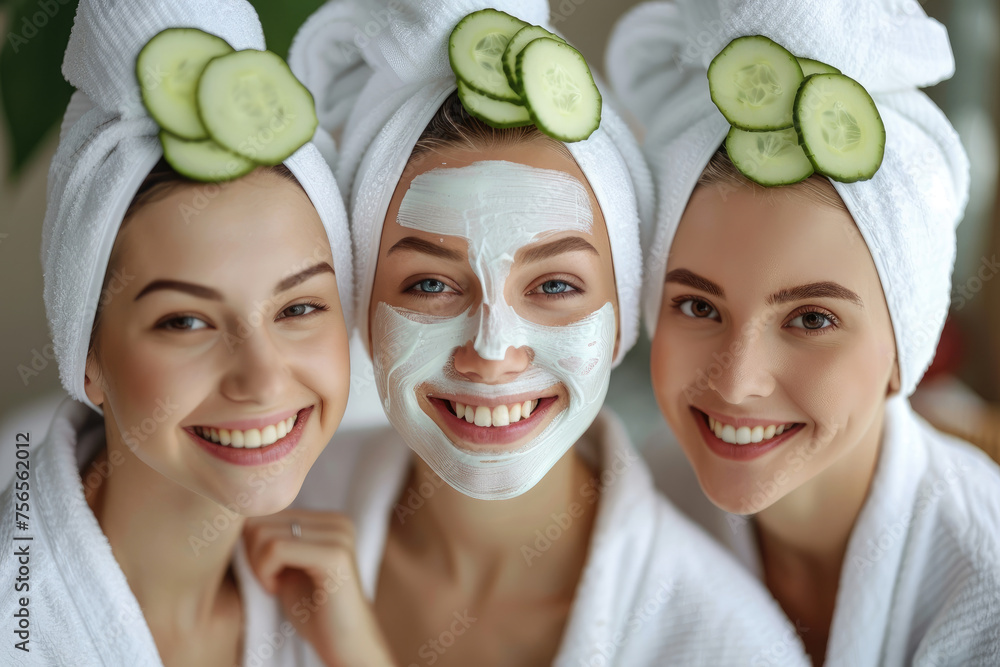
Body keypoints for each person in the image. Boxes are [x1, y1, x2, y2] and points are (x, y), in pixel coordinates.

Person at [280, 1, 811, 665]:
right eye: (430, 285)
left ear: (621, 314)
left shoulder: (721, 641)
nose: (493, 349)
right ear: (361, 306)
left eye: (554, 286)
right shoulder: (276, 518)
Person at [607, 1, 1000, 664]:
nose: (736, 380)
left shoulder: (984, 585)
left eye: (812, 318)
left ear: (907, 346)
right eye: (699, 307)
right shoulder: (646, 510)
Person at [0, 0, 389, 664]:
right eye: (186, 321)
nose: (263, 376)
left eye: (298, 308)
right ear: (87, 355)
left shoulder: (332, 588)